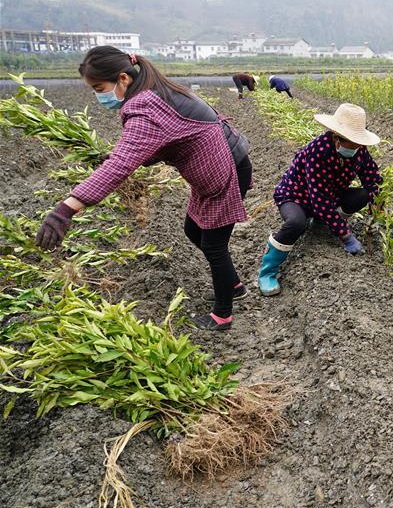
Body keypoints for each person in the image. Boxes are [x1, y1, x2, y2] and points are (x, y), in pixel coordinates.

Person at [36, 46, 252, 332]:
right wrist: (118, 157)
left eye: (99, 88)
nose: (98, 95)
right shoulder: (152, 92)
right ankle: (232, 283)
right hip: (217, 168)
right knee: (192, 229)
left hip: (226, 171)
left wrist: (66, 209)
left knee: (214, 246)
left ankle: (223, 314)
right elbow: (157, 142)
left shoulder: (144, 106)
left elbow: (120, 166)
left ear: (123, 78)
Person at [259, 103, 382, 296]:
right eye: (353, 144)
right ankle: (268, 272)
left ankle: (321, 222)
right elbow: (319, 200)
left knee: (361, 195)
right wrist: (346, 235)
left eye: (359, 144)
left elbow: (372, 178)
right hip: (296, 196)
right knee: (296, 223)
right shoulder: (317, 151)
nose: (357, 148)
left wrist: (377, 203)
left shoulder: (359, 150)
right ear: (337, 138)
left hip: (330, 194)